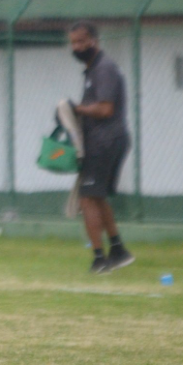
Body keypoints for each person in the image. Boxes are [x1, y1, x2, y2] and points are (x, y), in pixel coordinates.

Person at [68, 21, 134, 274]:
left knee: (87, 199)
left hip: (105, 140)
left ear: (94, 40)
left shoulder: (104, 69)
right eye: (73, 42)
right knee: (96, 196)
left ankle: (99, 259)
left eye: (82, 41)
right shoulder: (92, 69)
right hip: (107, 140)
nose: (77, 47)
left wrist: (76, 108)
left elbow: (106, 109)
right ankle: (118, 250)